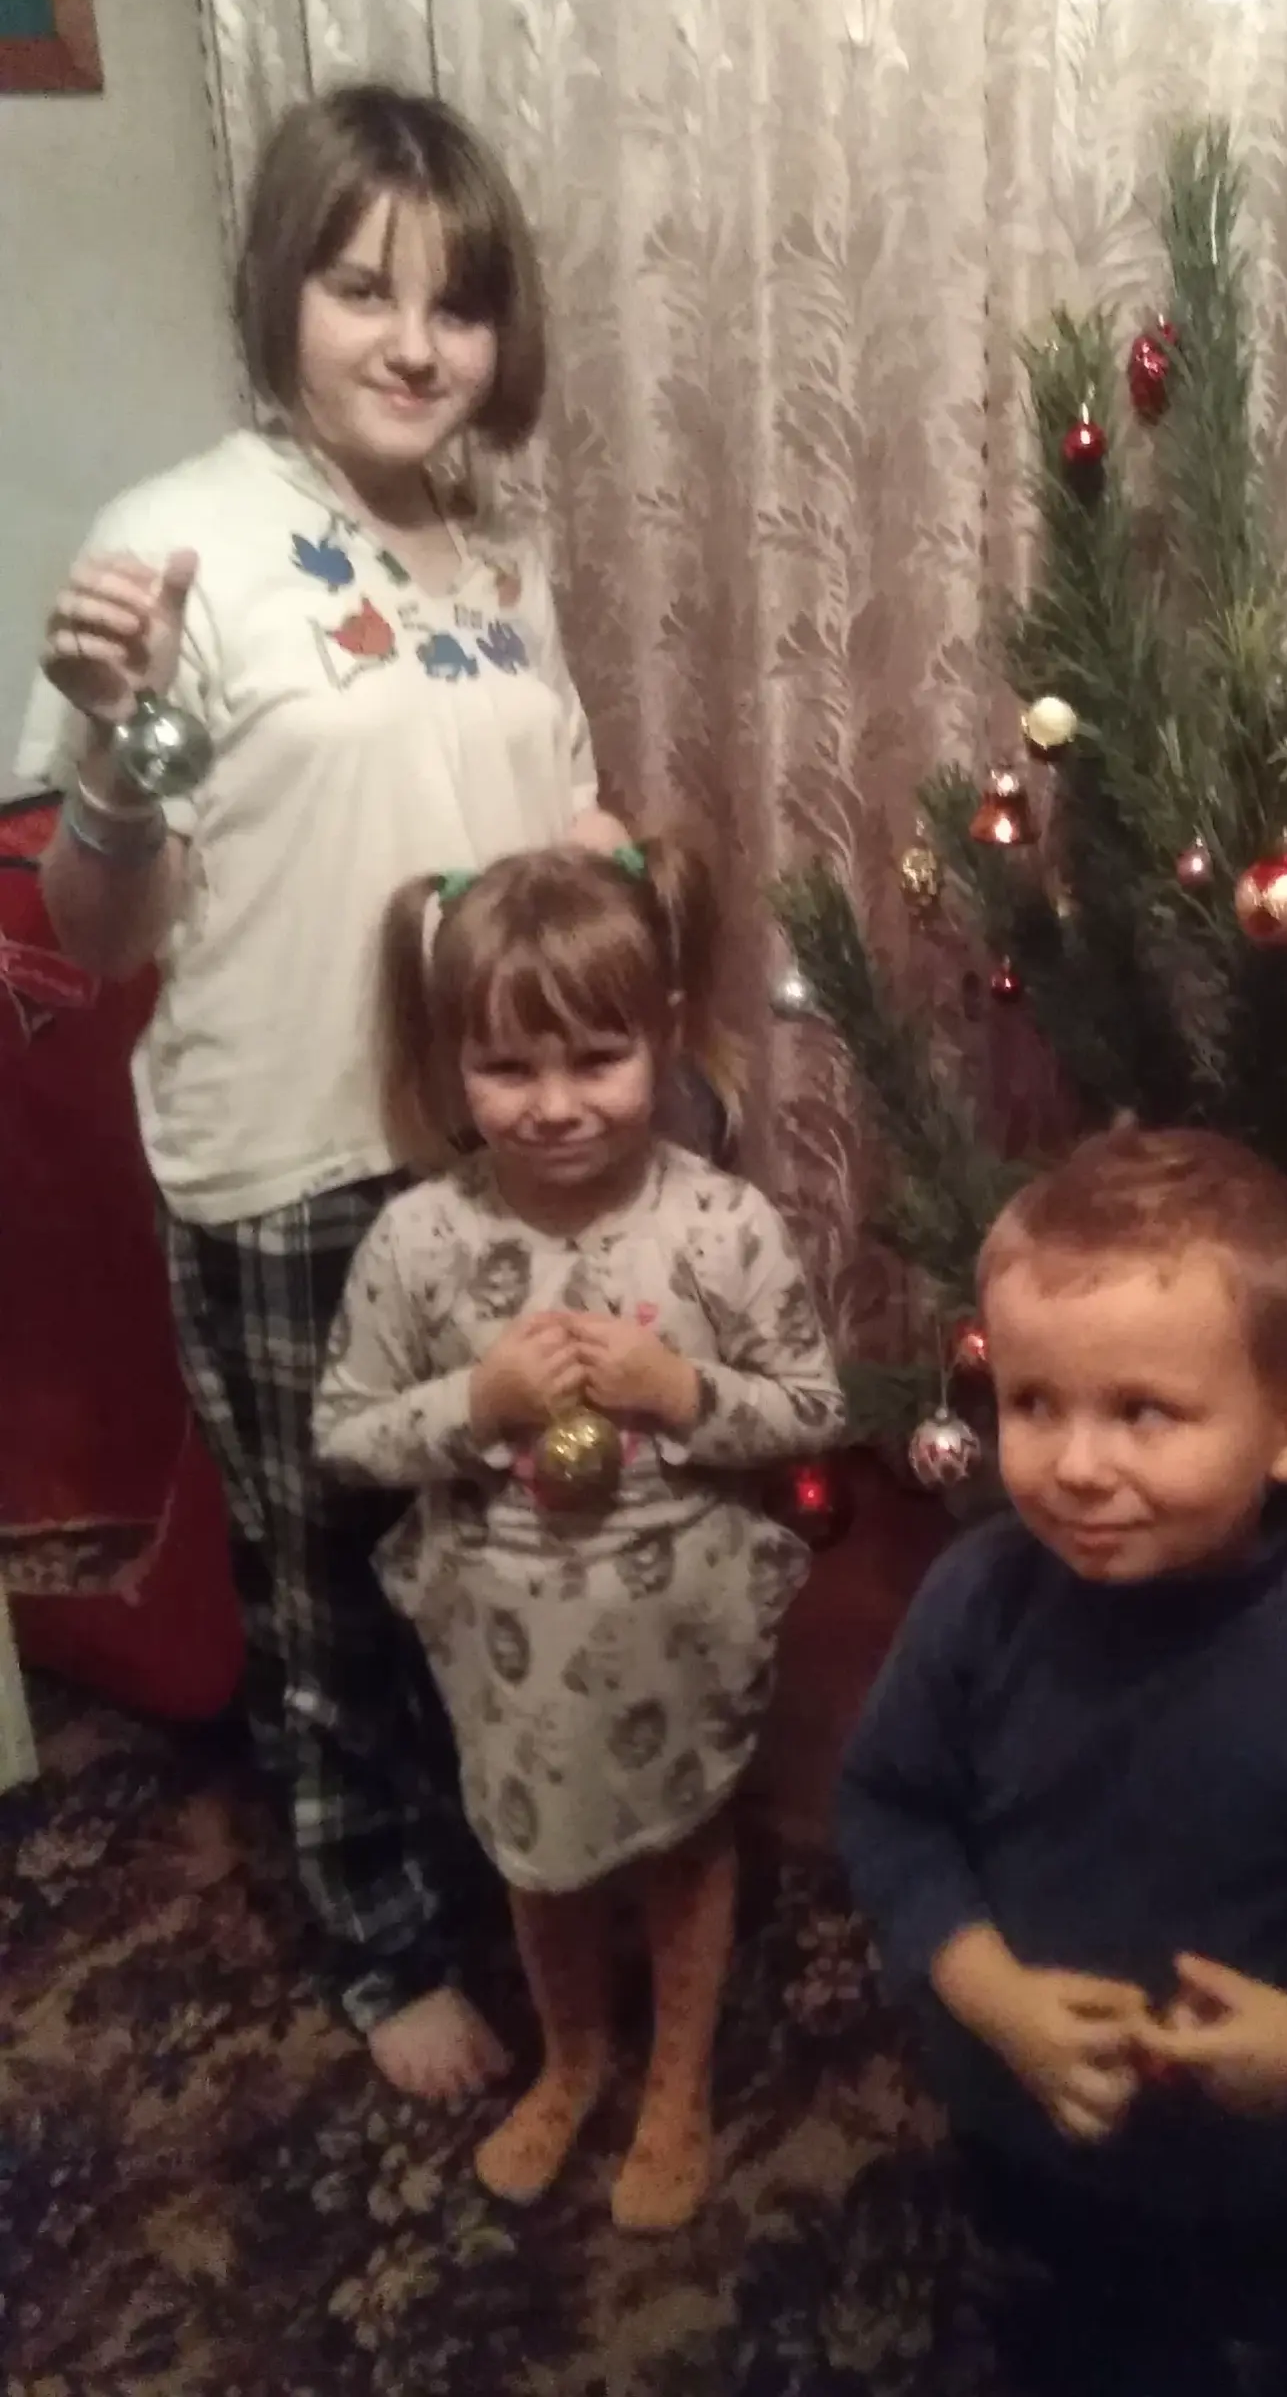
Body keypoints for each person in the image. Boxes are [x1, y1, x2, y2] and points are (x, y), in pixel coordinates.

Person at [19, 83, 633, 2099]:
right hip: (290, 1161)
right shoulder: (170, 545)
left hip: (498, 1156)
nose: (413, 342)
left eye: (456, 303)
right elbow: (101, 927)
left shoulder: (499, 563)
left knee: (506, 1534)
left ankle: (516, 1859)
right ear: (282, 286)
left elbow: (553, 837)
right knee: (337, 1589)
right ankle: (377, 1943)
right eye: (362, 287)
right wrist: (110, 749)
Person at [838, 1126, 1287, 2395]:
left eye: (1144, 1410)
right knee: (1033, 2321)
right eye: (1034, 1403)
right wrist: (994, 1995)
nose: (1077, 1465)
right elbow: (889, 1809)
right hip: (1014, 2102)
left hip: (1252, 2165)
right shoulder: (974, 1601)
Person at [313, 843, 846, 2226]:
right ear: (449, 1060)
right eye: (506, 1068)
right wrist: (476, 1402)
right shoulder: (417, 1242)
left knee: (681, 1844)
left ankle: (677, 2078)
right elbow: (347, 1434)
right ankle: (574, 2055)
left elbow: (813, 1406)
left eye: (597, 1059)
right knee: (535, 1859)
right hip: (505, 1639)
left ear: (661, 1033)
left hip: (680, 1622)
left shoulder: (725, 1225)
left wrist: (682, 1392)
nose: (553, 1106)